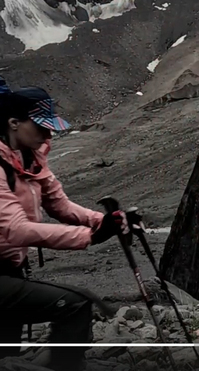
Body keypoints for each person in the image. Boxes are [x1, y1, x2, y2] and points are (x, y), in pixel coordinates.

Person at [0, 78, 126, 371]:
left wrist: (104, 221)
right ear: (14, 123)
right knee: (75, 305)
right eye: (41, 126)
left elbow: (60, 206)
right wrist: (90, 237)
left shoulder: (29, 160)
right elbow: (15, 229)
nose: (47, 135)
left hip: (12, 272)